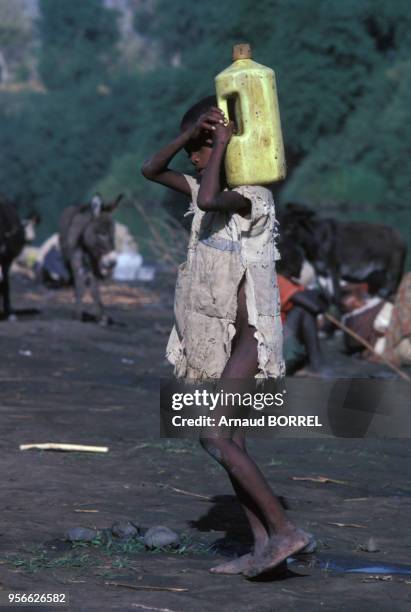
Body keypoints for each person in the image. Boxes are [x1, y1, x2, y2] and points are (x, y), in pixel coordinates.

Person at [141, 96, 314, 578]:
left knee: (214, 433)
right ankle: (263, 547)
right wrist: (191, 134)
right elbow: (151, 169)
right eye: (195, 152)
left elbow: (212, 198)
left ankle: (284, 532)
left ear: (224, 148)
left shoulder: (253, 198)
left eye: (198, 152)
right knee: (226, 438)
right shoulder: (201, 186)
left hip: (253, 339)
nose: (193, 161)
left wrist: (218, 143)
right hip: (224, 340)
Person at [276, 238, 331, 376]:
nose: (302, 265)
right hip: (276, 353)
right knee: (303, 310)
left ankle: (311, 363)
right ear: (291, 263)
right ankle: (316, 363)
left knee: (304, 307)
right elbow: (315, 306)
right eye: (300, 261)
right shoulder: (278, 280)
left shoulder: (293, 285)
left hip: (282, 348)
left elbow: (321, 303)